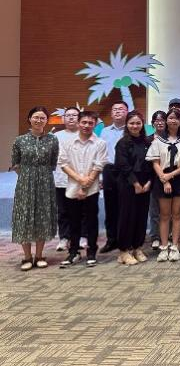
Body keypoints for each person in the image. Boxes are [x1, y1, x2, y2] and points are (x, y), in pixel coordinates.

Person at [11, 107, 59, 271]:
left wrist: (41, 173)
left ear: (46, 121)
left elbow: (53, 162)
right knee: (24, 217)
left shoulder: (52, 140)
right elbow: (15, 163)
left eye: (42, 118)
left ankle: (39, 256)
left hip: (45, 182)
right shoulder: (19, 140)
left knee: (42, 216)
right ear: (29, 119)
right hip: (25, 183)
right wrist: (28, 175)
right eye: (36, 117)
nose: (39, 120)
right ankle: (27, 257)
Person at [58, 110, 107, 267]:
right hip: (72, 188)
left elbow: (99, 165)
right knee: (73, 221)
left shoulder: (100, 143)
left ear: (95, 125)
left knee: (91, 221)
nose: (87, 125)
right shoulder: (67, 142)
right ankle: (73, 252)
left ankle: (91, 252)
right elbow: (63, 163)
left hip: (91, 189)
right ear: (79, 123)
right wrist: (80, 181)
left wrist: (85, 186)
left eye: (90, 123)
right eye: (84, 122)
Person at [147, 108, 180, 262]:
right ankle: (164, 247)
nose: (173, 120)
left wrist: (171, 175)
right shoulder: (158, 140)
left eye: (176, 118)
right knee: (164, 215)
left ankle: (175, 246)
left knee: (177, 214)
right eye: (170, 118)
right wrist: (165, 179)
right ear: (166, 121)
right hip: (162, 178)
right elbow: (155, 162)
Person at [115, 110, 153, 266]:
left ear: (142, 124)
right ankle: (124, 251)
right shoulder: (122, 143)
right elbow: (123, 165)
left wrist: (149, 182)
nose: (135, 126)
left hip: (146, 184)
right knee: (127, 217)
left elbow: (153, 163)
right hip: (128, 184)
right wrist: (136, 184)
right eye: (131, 123)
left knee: (141, 217)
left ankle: (137, 247)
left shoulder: (147, 142)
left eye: (138, 123)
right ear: (127, 124)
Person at [99, 101, 129, 254]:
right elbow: (100, 154)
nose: (117, 111)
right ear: (111, 113)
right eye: (115, 109)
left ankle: (126, 240)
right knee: (110, 207)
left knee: (126, 207)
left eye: (121, 109)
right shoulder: (104, 132)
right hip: (109, 170)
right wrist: (100, 176)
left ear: (127, 112)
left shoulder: (131, 129)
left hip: (126, 172)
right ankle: (111, 240)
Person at [53, 107, 80, 252]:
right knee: (63, 211)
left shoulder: (86, 134)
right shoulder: (56, 136)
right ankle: (64, 237)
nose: (70, 118)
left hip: (80, 179)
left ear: (79, 118)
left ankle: (82, 236)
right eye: (67, 115)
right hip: (61, 179)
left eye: (74, 115)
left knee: (81, 211)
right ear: (63, 118)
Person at [147, 110, 166, 250]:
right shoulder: (147, 140)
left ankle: (167, 235)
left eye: (162, 120)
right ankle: (155, 237)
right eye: (156, 120)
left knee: (168, 211)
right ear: (152, 123)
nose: (159, 123)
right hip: (153, 179)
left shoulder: (172, 138)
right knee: (154, 210)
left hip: (169, 178)